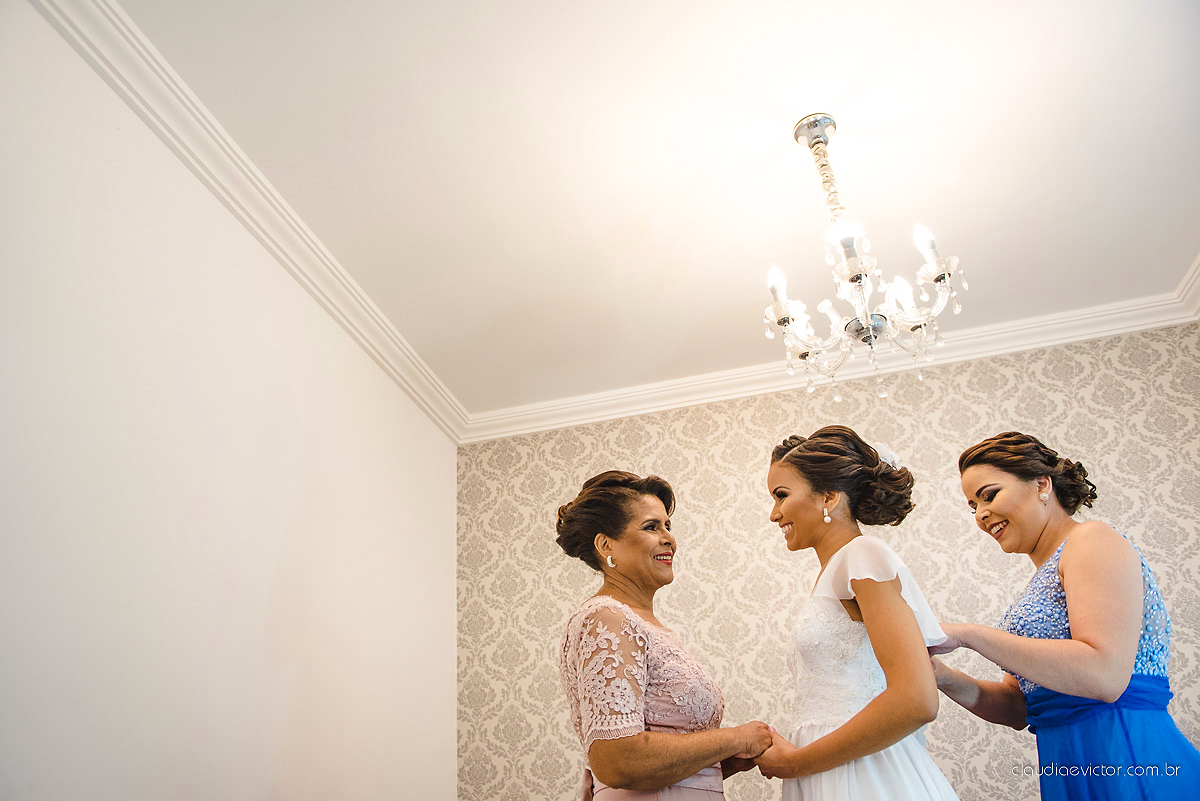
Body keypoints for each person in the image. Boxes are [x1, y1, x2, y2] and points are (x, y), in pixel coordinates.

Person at [931, 431, 1200, 799]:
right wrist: (943, 677)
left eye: (989, 495)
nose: (980, 514)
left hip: (1126, 755)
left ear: (1042, 484)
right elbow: (1019, 707)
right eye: (972, 505)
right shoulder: (1034, 587)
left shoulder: (1092, 540)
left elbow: (1104, 676)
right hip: (1067, 765)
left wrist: (968, 635)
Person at [754, 426, 959, 800]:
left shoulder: (862, 556)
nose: (774, 514)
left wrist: (798, 763)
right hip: (828, 764)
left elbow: (917, 700)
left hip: (861, 772)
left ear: (829, 497)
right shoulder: (833, 571)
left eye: (781, 495)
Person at [556, 470, 773, 800]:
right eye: (651, 527)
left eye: (667, 526)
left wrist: (719, 762)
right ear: (605, 545)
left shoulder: (646, 625)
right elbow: (617, 761)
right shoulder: (608, 618)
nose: (669, 538)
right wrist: (735, 738)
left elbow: (660, 765)